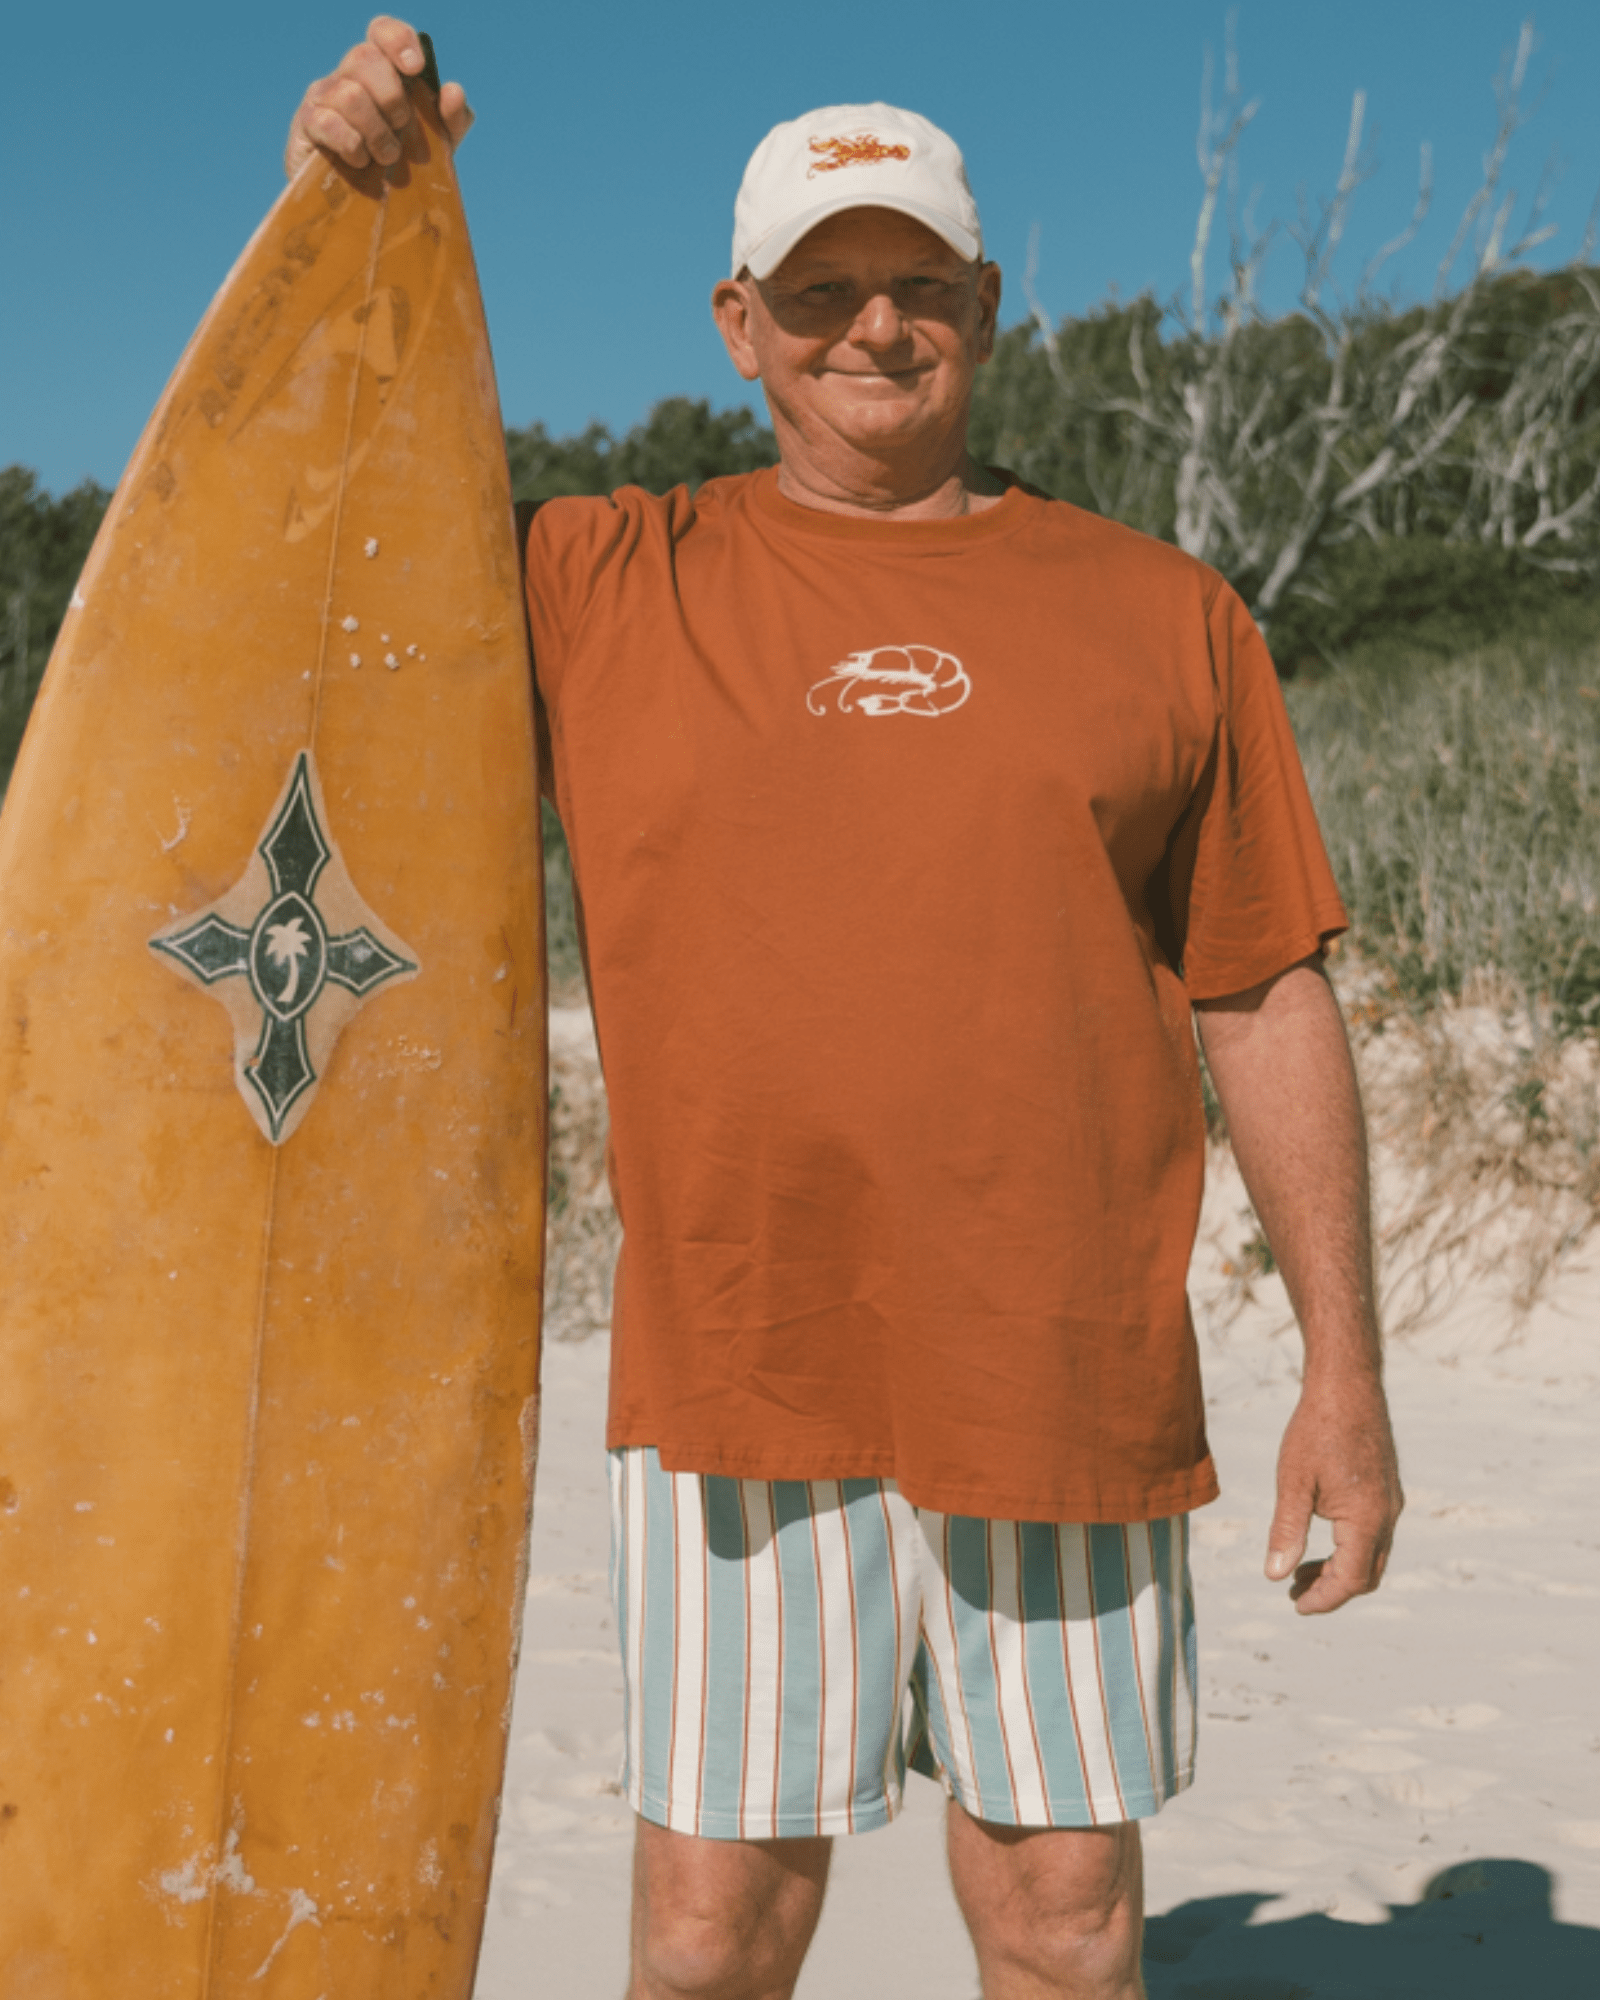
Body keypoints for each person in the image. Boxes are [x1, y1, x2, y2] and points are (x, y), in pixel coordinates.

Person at [288, 22, 1404, 2000]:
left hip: (1056, 1367)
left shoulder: (1164, 614)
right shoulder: (596, 577)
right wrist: (342, 213)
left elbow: (1260, 988)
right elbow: (327, 531)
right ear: (739, 321)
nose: (869, 325)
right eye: (819, 288)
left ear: (984, 305)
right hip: (737, 1367)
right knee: (714, 1931)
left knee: (1060, 1922)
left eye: (913, 284)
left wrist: (1343, 1372)